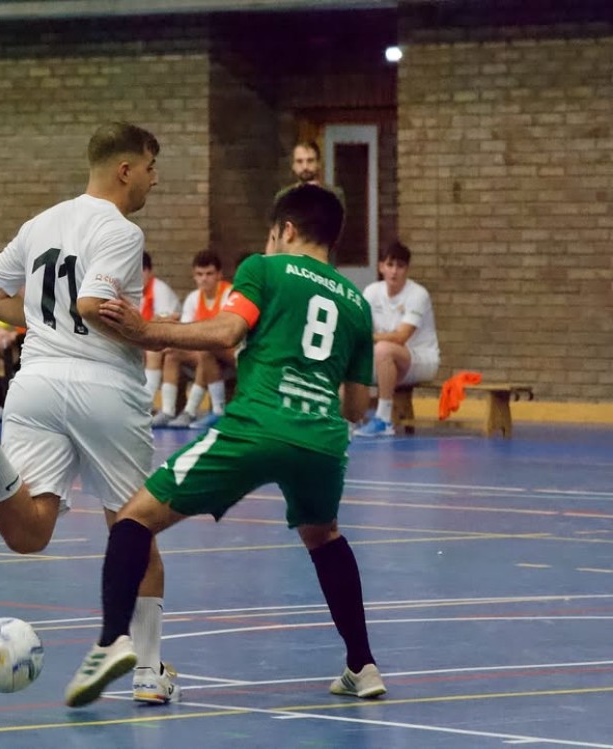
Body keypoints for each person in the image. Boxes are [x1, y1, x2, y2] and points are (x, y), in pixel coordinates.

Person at [64, 184, 386, 708]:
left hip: (257, 425)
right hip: (323, 440)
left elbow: (227, 332)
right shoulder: (356, 302)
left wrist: (148, 331)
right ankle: (362, 665)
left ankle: (110, 643)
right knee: (324, 536)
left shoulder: (265, 267)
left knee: (132, 520)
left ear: (285, 231)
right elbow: (355, 407)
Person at [0, 122, 178, 705]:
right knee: (134, 525)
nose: (154, 179)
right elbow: (93, 301)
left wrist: (36, 322)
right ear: (124, 169)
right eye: (151, 166)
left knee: (31, 531)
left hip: (33, 383)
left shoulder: (41, 224)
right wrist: (149, 331)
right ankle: (148, 671)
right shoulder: (121, 229)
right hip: (103, 385)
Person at [354, 241, 440, 437]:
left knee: (383, 349)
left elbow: (401, 337)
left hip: (421, 360)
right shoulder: (372, 292)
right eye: (390, 265)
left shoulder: (418, 294)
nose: (394, 271)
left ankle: (384, 420)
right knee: (347, 354)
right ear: (381, 267)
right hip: (385, 360)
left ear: (407, 269)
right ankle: (347, 416)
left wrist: (371, 338)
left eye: (400, 266)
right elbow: (359, 330)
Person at [151, 250, 234, 429]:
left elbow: (225, 335)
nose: (204, 279)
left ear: (219, 275)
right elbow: (185, 336)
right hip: (203, 354)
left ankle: (192, 411)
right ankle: (168, 411)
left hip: (227, 357)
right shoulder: (193, 298)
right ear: (194, 276)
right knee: (172, 353)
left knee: (206, 350)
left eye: (209, 274)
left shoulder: (229, 295)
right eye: (199, 274)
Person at [140, 251, 181, 402]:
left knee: (153, 351)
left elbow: (165, 324)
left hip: (170, 342)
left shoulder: (160, 289)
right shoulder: (133, 292)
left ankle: (146, 402)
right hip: (145, 341)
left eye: (141, 272)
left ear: (149, 271)